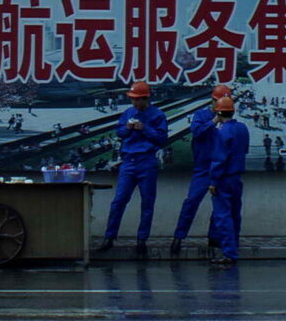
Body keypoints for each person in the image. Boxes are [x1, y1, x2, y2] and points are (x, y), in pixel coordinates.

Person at [96, 81, 168, 257]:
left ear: (145, 98)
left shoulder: (158, 115)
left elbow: (161, 139)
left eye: (137, 99)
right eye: (132, 99)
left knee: (147, 202)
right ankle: (109, 237)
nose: (134, 102)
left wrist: (145, 129)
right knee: (119, 200)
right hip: (129, 162)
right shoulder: (128, 113)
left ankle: (142, 240)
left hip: (147, 161)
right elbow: (119, 132)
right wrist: (127, 128)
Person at [170, 84, 232, 257]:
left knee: (219, 205)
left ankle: (214, 237)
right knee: (191, 202)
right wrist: (214, 121)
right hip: (203, 168)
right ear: (212, 100)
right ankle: (178, 237)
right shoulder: (201, 115)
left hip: (220, 168)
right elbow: (196, 132)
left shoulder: (229, 118)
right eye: (218, 101)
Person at [207, 95, 250, 265]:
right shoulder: (242, 128)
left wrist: (213, 181)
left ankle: (229, 253)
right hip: (236, 177)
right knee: (234, 214)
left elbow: (219, 159)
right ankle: (234, 247)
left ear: (218, 113)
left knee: (223, 216)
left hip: (223, 178)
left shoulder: (222, 132)